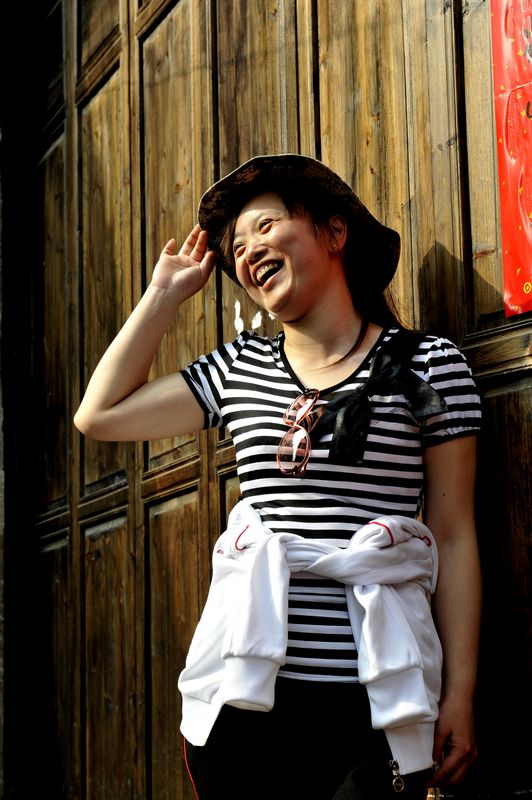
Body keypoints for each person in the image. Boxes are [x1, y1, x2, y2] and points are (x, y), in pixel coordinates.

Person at [74, 154, 482, 799]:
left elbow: (453, 536)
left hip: (377, 696)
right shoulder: (239, 368)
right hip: (247, 697)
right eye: (237, 247)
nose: (247, 252)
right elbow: (98, 415)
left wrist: (459, 695)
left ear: (334, 232)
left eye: (265, 227)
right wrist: (164, 296)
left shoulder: (427, 366)